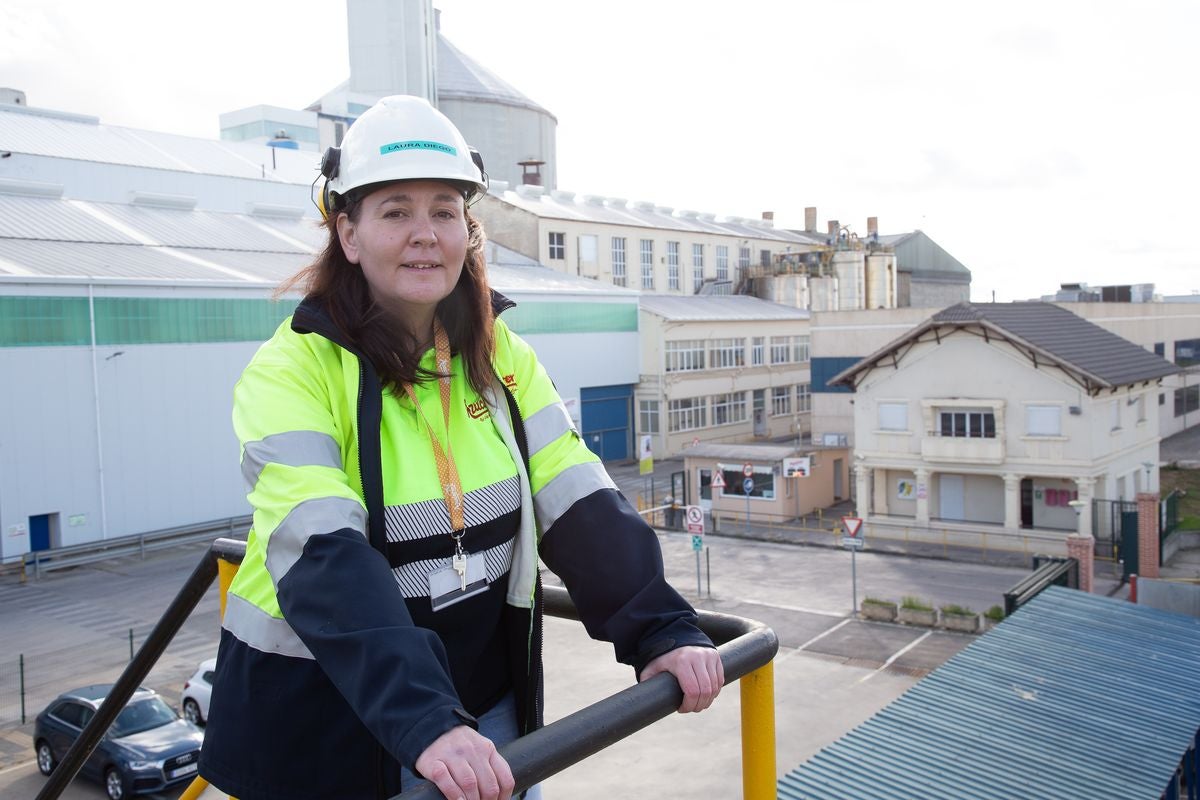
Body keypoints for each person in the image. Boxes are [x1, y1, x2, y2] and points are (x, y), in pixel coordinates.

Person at [198, 94, 723, 800]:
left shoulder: (500, 354)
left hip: (479, 714)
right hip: (325, 721)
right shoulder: (291, 372)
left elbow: (576, 495)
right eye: (396, 211)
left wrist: (660, 628)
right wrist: (424, 718)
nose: (426, 234)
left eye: (444, 210)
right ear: (347, 233)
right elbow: (324, 552)